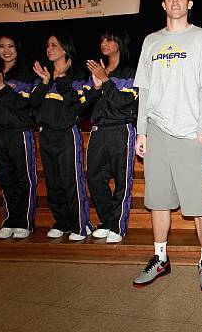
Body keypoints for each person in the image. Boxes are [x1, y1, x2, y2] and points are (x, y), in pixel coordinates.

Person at [132, 0, 202, 291]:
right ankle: (160, 258)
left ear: (190, 3)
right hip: (157, 129)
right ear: (163, 4)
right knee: (158, 199)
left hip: (189, 132)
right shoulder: (151, 42)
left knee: (198, 200)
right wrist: (142, 130)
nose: (175, 1)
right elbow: (144, 89)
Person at [29, 32, 92, 241]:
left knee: (70, 180)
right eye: (48, 45)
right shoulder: (43, 75)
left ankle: (80, 224)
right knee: (53, 182)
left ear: (65, 48)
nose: (50, 48)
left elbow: (77, 105)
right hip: (46, 135)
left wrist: (63, 78)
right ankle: (62, 222)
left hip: (67, 134)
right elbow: (33, 105)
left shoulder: (77, 75)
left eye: (55, 44)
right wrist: (46, 82)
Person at [84, 29, 138, 243]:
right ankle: (107, 221)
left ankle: (117, 225)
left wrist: (106, 81)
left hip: (121, 129)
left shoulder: (131, 71)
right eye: (101, 40)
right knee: (95, 178)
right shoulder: (100, 70)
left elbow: (126, 105)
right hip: (98, 130)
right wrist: (97, 87)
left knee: (122, 179)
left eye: (109, 39)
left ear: (119, 42)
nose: (104, 43)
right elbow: (86, 105)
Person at [0, 34, 37, 239]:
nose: (6, 51)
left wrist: (1, 87)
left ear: (18, 48)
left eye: (10, 46)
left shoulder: (26, 72)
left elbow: (23, 105)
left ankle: (24, 222)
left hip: (18, 132)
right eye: (1, 46)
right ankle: (11, 220)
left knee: (22, 179)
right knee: (5, 179)